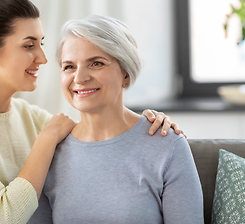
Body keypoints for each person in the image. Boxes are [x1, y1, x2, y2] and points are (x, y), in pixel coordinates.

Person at [0, 0, 184, 224]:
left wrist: (148, 120)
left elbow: (99, 133)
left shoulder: (32, 117)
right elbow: (3, 216)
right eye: (29, 45)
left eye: (41, 44)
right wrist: (48, 138)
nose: (42, 58)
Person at [29, 15, 203, 224]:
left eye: (96, 63)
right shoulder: (49, 152)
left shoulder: (167, 145)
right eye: (69, 66)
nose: (79, 78)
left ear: (126, 74)